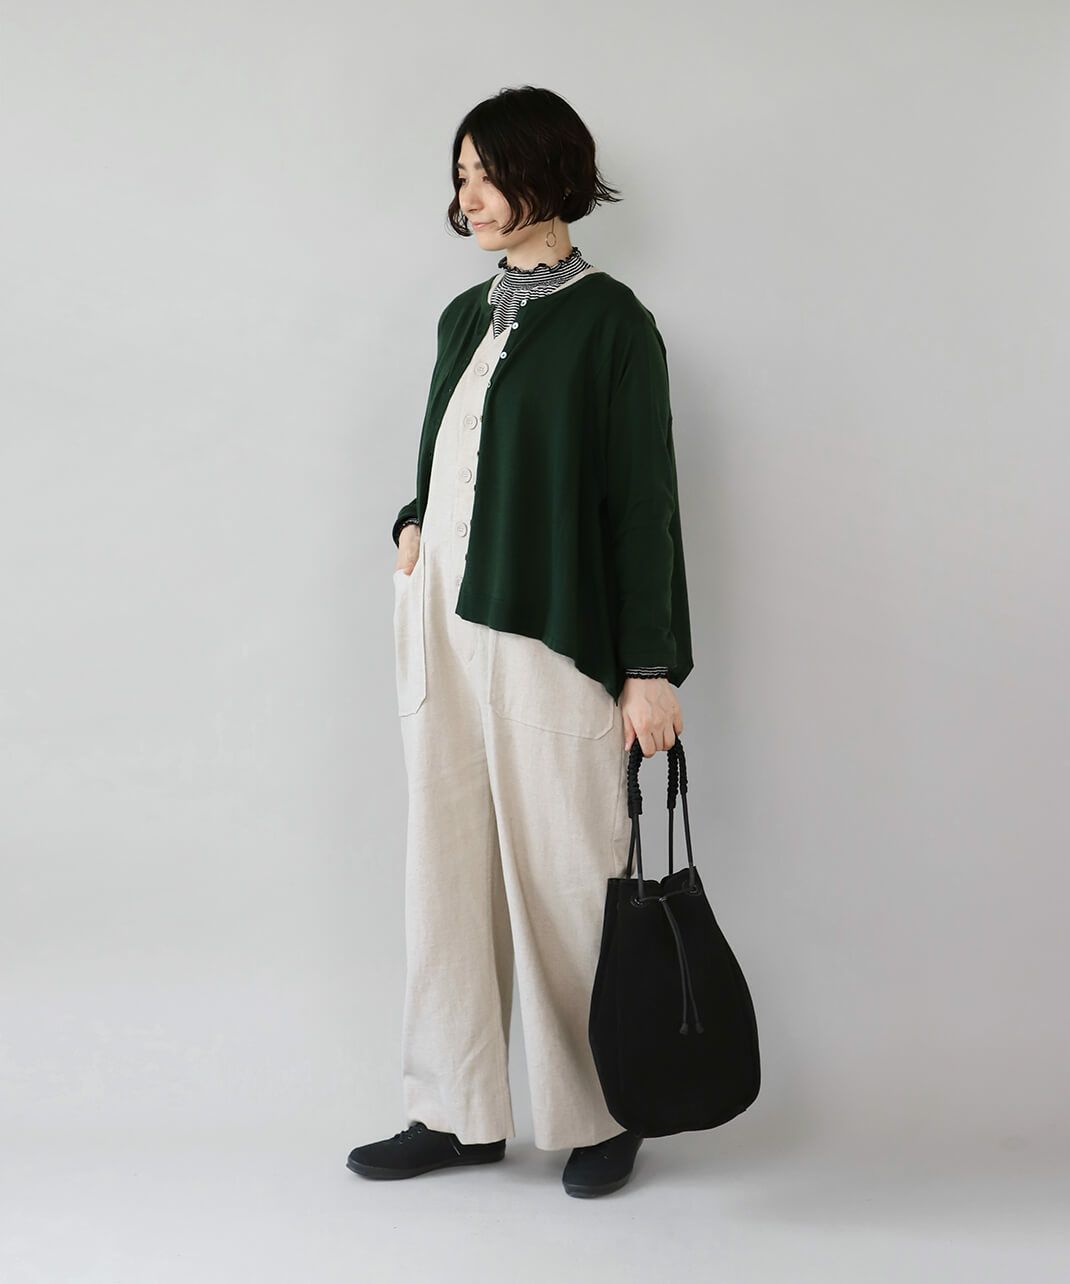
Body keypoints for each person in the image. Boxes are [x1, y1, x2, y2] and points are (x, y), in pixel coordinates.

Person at [346, 86, 694, 1198]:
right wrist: (410, 524)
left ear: (549, 172)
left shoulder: (613, 324)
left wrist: (648, 668)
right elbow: (444, 455)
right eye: (461, 176)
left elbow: (642, 503)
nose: (471, 197)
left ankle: (601, 1111)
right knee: (444, 869)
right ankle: (454, 1113)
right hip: (440, 626)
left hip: (546, 632)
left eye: (488, 173)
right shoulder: (464, 316)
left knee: (567, 871)